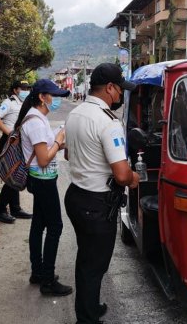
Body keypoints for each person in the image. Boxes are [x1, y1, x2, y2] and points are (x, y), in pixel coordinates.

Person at [64, 63, 139, 323]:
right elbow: (121, 174)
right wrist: (134, 178)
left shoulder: (76, 114)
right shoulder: (109, 122)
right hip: (96, 204)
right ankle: (86, 318)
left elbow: (68, 153)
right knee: (94, 265)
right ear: (109, 88)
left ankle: (91, 307)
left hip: (76, 196)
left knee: (87, 258)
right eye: (120, 90)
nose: (120, 96)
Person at [13, 79, 73, 296]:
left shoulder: (37, 118)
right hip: (43, 180)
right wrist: (58, 141)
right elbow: (44, 158)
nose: (55, 99)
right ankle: (47, 280)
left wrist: (62, 141)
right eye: (53, 95)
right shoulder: (36, 122)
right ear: (42, 97)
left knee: (38, 224)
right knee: (55, 227)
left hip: (40, 179)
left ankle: (37, 272)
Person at [0, 80, 33, 224]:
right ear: (15, 90)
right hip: (9, 142)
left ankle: (15, 208)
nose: (26, 90)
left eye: (27, 88)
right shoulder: (9, 102)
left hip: (19, 143)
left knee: (16, 175)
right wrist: (9, 133)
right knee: (12, 175)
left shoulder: (24, 103)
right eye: (23, 88)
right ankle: (0, 211)